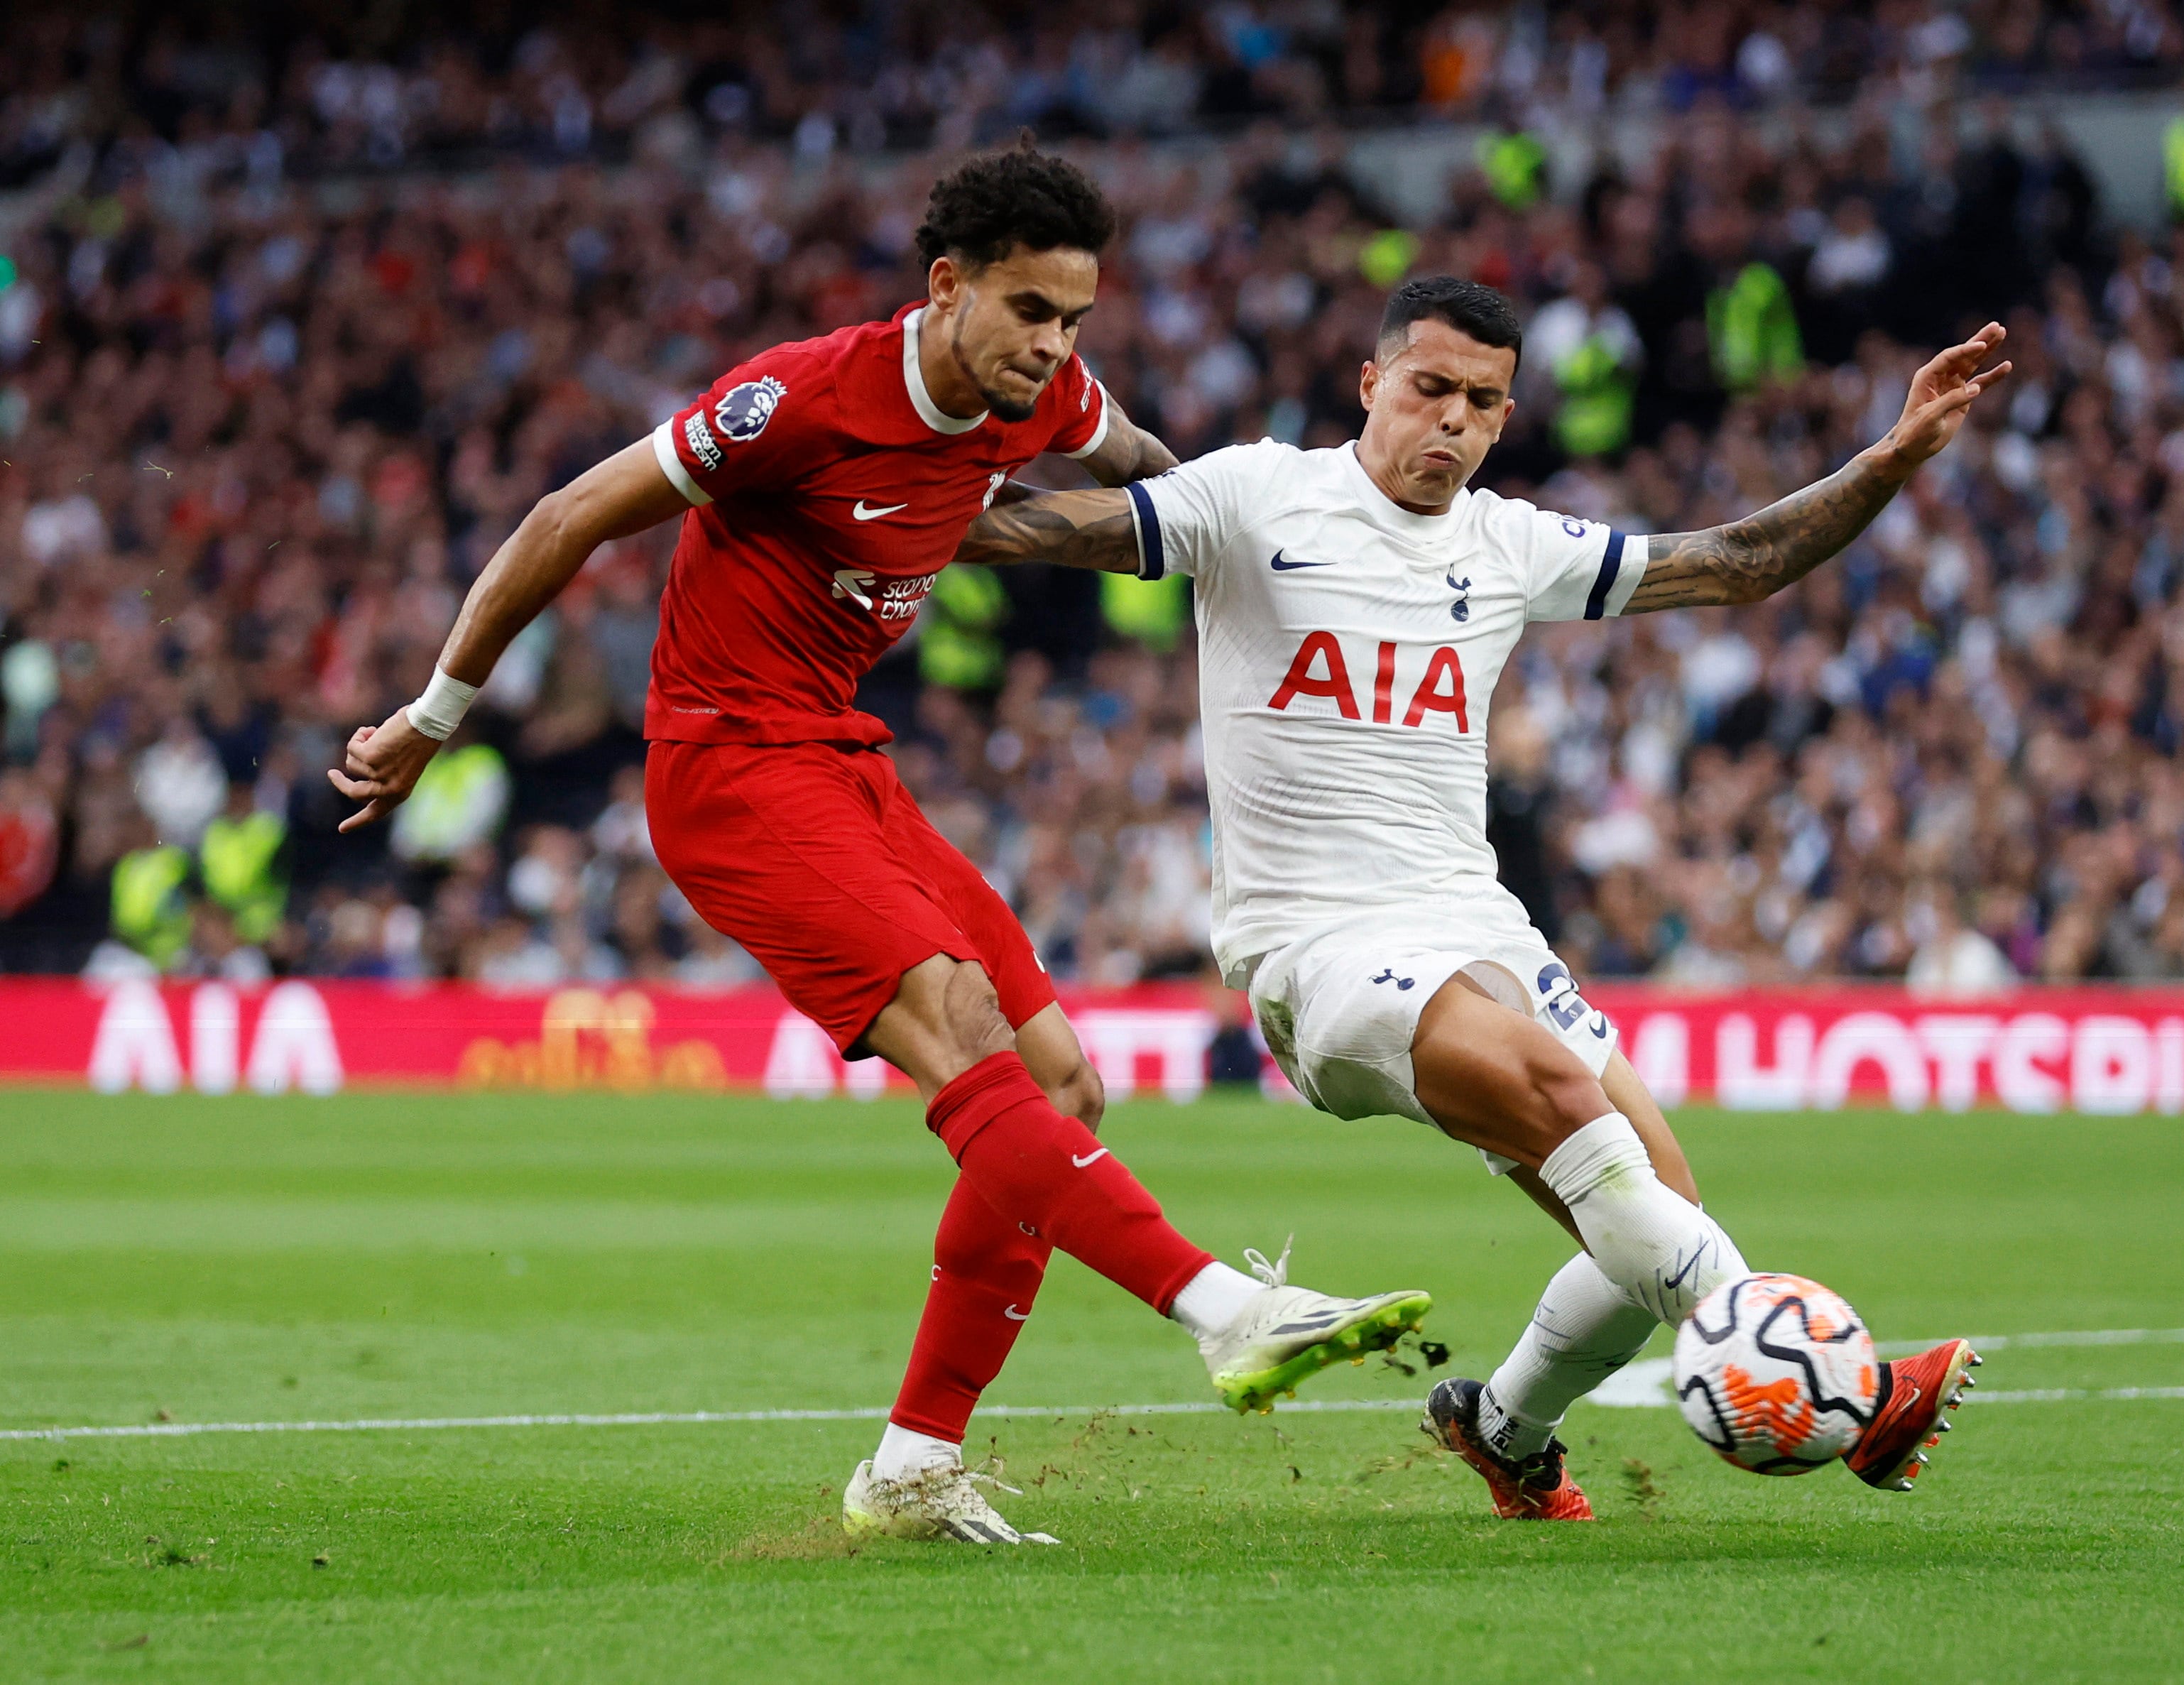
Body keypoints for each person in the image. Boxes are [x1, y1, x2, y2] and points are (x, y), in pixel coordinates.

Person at [327, 146, 1429, 1548]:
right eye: (1029, 310)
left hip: (844, 760)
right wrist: (433, 716)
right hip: (727, 765)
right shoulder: (797, 400)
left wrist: (1310, 540)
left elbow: (1163, 474)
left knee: (1062, 1083)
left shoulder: (1046, 392)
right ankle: (1227, 1309)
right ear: (946, 285)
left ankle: (913, 1462)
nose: (1054, 346)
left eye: (1075, 318)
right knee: (959, 1022)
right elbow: (568, 517)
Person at [956, 276, 2001, 1519]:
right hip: (1319, 948)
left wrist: (1890, 458)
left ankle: (1504, 1427)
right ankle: (1853, 1391)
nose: (1452, 418)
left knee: (1655, 1214)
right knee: (1572, 1109)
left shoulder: (1509, 544)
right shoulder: (1255, 496)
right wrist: (870, 487)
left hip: (1475, 921)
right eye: (1430, 387)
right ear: (1372, 383)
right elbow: (1036, 529)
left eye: (1485, 400)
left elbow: (1738, 564)